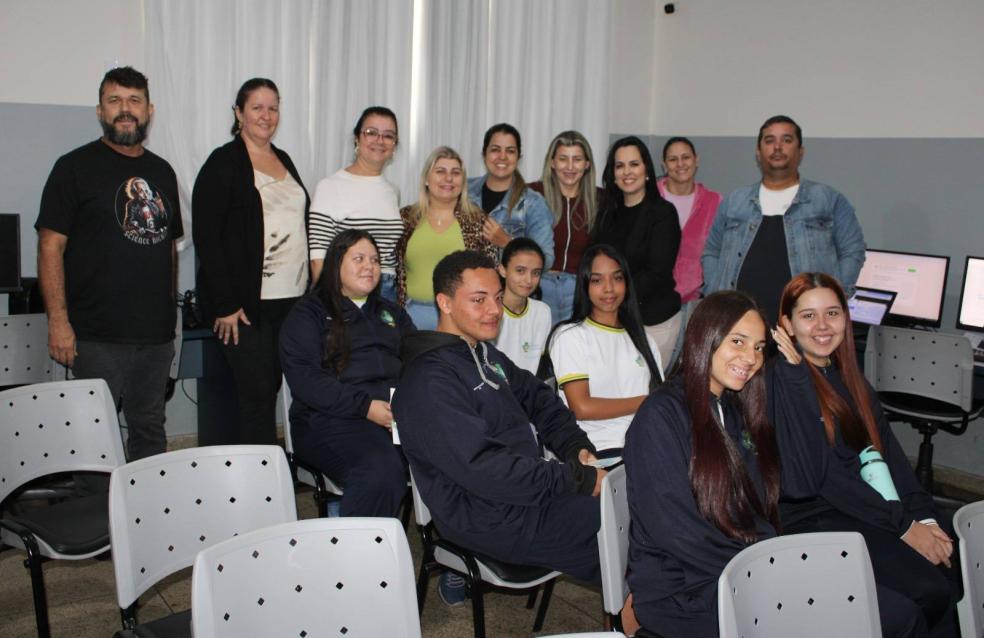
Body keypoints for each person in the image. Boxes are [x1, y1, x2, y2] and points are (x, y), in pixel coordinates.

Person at [393, 250, 606, 606]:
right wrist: (575, 479)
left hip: (524, 499)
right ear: (444, 303)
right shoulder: (429, 380)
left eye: (496, 297)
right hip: (492, 519)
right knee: (632, 534)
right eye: (478, 300)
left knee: (637, 526)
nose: (494, 310)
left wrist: (573, 446)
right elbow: (485, 468)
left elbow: (540, 399)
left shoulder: (483, 354)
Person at [769, 272, 954, 637]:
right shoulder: (783, 382)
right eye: (808, 316)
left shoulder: (848, 377)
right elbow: (826, 479)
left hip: (862, 508)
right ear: (787, 325)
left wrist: (924, 517)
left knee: (952, 557)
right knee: (930, 590)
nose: (823, 326)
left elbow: (890, 457)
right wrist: (903, 527)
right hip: (815, 518)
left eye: (833, 313)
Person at [36, 66, 182, 461]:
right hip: (96, 335)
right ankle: (96, 521)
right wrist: (58, 321)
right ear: (100, 110)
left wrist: (171, 320)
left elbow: (168, 247)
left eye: (134, 100)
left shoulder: (163, 172)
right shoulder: (73, 167)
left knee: (150, 428)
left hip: (155, 336)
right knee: (92, 439)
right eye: (114, 100)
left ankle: (147, 516)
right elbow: (50, 246)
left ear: (149, 110)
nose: (125, 109)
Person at [623, 291, 779, 637]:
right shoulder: (661, 416)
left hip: (727, 569)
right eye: (738, 341)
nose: (751, 357)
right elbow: (675, 530)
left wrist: (770, 558)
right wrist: (756, 572)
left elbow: (755, 506)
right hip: (679, 588)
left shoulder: (734, 408)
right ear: (705, 337)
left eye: (758, 347)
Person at [192, 78, 309, 445]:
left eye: (273, 107)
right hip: (244, 308)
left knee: (273, 389)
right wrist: (225, 303)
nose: (266, 115)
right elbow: (207, 238)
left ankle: (271, 473)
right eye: (257, 107)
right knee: (257, 397)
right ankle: (260, 490)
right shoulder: (222, 163)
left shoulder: (283, 159)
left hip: (290, 303)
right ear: (238, 113)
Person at [280, 229, 414, 517]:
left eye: (376, 260)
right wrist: (365, 407)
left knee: (458, 451)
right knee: (379, 471)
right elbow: (306, 380)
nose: (370, 266)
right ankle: (356, 557)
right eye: (359, 258)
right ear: (335, 263)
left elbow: (418, 366)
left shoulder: (393, 313)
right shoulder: (309, 313)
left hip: (395, 417)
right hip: (329, 419)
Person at [702, 115, 867, 324]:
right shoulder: (734, 201)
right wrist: (714, 292)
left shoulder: (828, 200)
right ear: (758, 152)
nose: (777, 147)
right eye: (769, 141)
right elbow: (712, 251)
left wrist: (832, 299)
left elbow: (852, 250)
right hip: (738, 323)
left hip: (806, 328)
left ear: (801, 152)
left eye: (787, 140)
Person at [549, 244, 662, 454]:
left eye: (617, 278)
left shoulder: (643, 338)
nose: (609, 288)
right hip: (598, 448)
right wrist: (645, 402)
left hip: (646, 441)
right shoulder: (570, 336)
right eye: (597, 280)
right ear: (584, 285)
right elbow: (581, 407)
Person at [593, 136, 681, 367]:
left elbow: (657, 272)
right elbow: (595, 262)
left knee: (646, 393)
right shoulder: (606, 213)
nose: (627, 172)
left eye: (634, 164)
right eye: (619, 166)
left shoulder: (663, 213)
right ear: (613, 174)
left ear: (647, 170)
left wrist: (612, 298)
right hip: (614, 317)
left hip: (653, 321)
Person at [395, 146, 496, 330]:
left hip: (458, 317)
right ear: (427, 178)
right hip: (410, 316)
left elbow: (489, 272)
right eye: (440, 171)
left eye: (455, 173)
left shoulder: (478, 221)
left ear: (462, 181)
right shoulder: (406, 218)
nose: (448, 178)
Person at [308, 106, 403, 301]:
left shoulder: (392, 191)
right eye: (371, 133)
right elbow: (318, 256)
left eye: (388, 135)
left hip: (386, 291)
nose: (379, 140)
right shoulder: (330, 186)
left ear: (394, 144)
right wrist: (332, 304)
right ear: (357, 138)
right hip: (345, 289)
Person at [656, 136, 722, 365]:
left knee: (693, 366)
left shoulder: (715, 201)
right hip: (657, 301)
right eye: (672, 159)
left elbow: (720, 251)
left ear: (696, 160)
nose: (680, 164)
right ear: (663, 165)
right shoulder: (651, 197)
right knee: (657, 368)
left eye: (685, 157)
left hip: (698, 300)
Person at [529, 130, 602, 322]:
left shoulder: (601, 199)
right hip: (539, 286)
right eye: (563, 159)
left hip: (580, 289)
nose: (570, 166)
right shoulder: (533, 195)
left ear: (587, 164)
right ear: (552, 162)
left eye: (577, 159)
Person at [467, 123, 555, 269]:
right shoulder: (464, 191)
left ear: (518, 157)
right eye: (495, 150)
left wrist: (508, 243)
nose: (502, 157)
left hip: (509, 289)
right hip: (463, 286)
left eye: (510, 151)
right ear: (484, 154)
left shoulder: (533, 203)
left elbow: (546, 260)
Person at [494, 238, 552, 375]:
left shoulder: (542, 312)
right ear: (502, 270)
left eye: (536, 273)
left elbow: (539, 366)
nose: (528, 280)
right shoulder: (490, 311)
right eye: (520, 271)